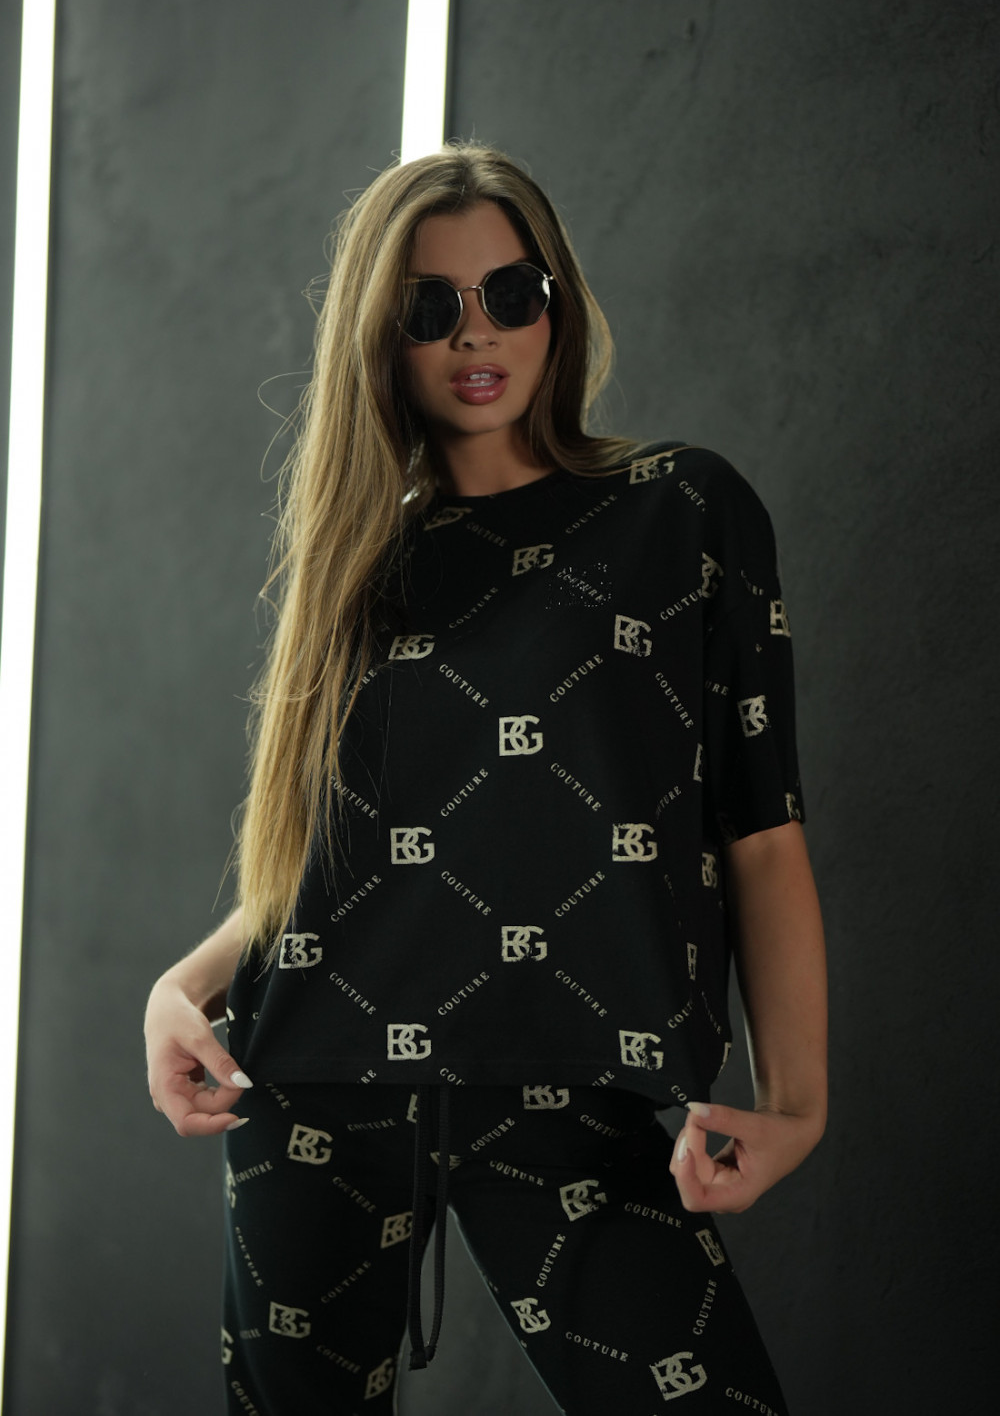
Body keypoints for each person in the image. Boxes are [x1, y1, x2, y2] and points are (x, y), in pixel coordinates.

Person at [144, 143, 827, 1415]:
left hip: (571, 1077)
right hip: (319, 1083)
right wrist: (181, 987)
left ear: (555, 304)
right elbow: (338, 849)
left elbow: (759, 826)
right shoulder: (359, 559)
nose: (477, 332)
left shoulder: (680, 508)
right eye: (430, 306)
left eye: (511, 293)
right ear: (381, 337)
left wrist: (796, 1101)